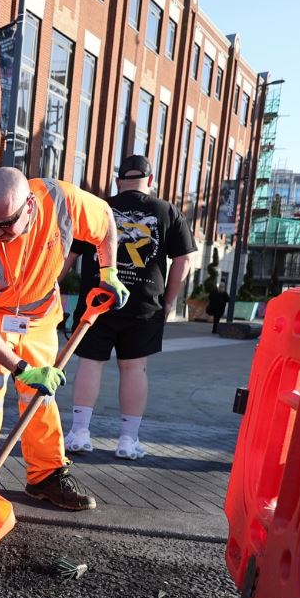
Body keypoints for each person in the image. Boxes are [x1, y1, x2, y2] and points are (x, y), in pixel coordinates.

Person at [0, 168, 128, 511]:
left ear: (29, 205)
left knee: (41, 396)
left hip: (40, 315)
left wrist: (109, 273)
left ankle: (46, 476)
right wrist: (22, 368)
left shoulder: (61, 201)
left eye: (5, 224)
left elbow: (105, 220)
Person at [62, 155, 196, 461]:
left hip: (98, 299)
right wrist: (168, 301)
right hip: (145, 305)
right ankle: (127, 439)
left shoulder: (99, 207)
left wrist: (50, 286)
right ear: (150, 181)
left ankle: (80, 433)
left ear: (118, 181)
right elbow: (184, 260)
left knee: (90, 363)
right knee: (135, 368)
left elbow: (69, 253)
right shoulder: (168, 211)